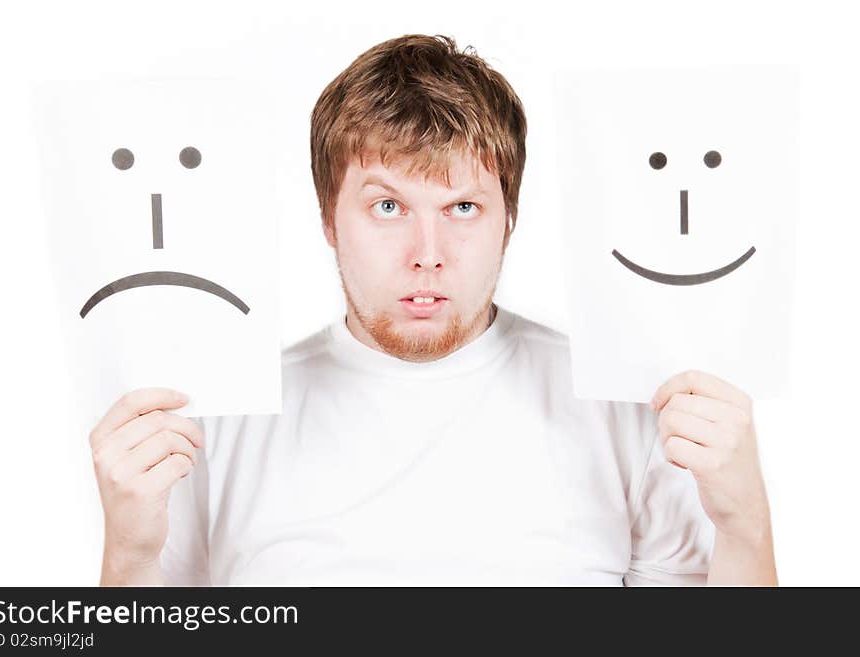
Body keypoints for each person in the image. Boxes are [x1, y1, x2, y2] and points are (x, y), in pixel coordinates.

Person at [89, 34, 777, 586]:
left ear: (510, 219)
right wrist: (127, 553)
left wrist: (746, 525)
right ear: (329, 218)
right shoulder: (216, 422)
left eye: (463, 208)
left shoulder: (628, 407)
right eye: (388, 206)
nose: (428, 252)